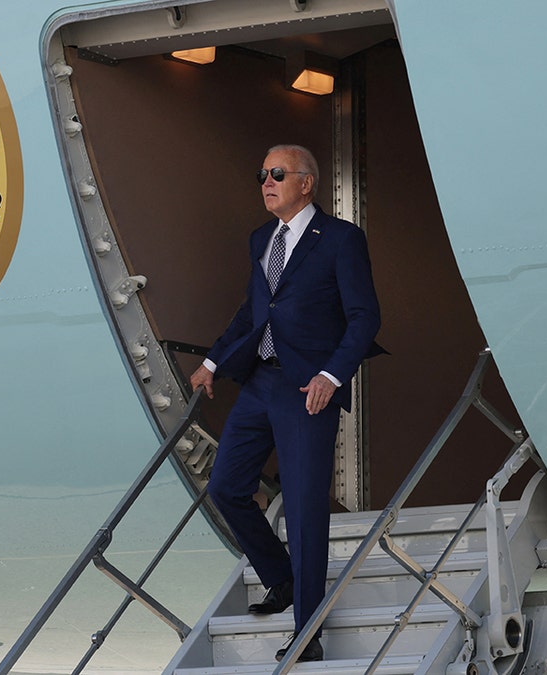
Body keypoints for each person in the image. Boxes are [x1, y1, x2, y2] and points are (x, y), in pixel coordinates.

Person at [191, 144, 382, 662]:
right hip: (259, 384)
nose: (266, 181)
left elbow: (365, 317)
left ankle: (308, 632)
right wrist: (212, 361)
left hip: (308, 389)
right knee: (226, 488)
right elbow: (253, 311)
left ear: (306, 184)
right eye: (262, 174)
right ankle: (280, 577)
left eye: (277, 174)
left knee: (302, 509)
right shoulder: (262, 239)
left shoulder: (341, 239)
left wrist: (331, 374)